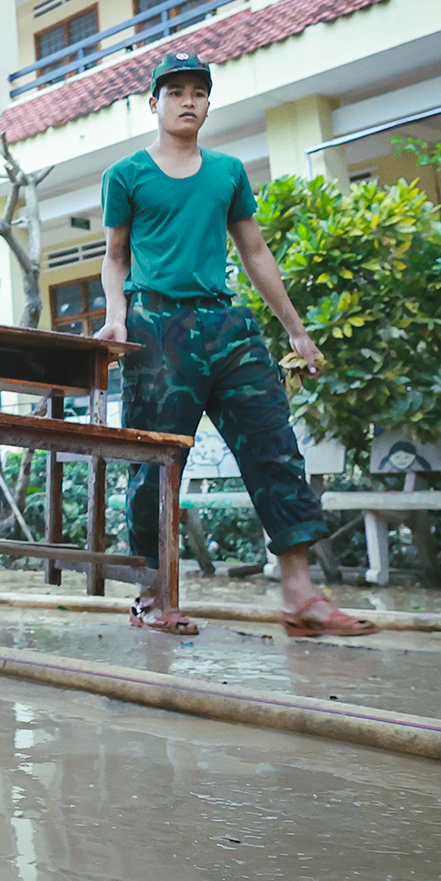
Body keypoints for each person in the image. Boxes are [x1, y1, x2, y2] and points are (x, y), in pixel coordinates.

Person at [98, 51, 377, 638]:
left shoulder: (226, 171)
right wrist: (117, 318)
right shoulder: (126, 175)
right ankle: (154, 594)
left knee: (274, 447)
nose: (187, 100)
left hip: (228, 327)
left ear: (208, 101)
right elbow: (115, 257)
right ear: (154, 103)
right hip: (157, 328)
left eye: (197, 91)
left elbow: (254, 252)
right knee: (156, 462)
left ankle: (300, 594)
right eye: (174, 91)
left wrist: (295, 328)